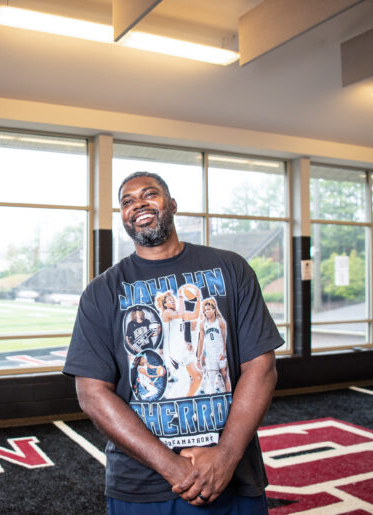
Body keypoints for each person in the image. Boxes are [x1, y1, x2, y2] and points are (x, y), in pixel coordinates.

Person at [63, 171, 282, 513]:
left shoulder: (230, 268)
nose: (138, 204)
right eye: (127, 201)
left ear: (172, 204)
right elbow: (92, 393)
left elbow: (261, 367)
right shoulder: (102, 291)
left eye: (149, 194)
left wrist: (225, 456)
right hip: (142, 486)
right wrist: (173, 466)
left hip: (234, 475)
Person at [197, 297, 231, 395]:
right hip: (210, 354)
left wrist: (224, 353)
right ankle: (211, 397)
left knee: (224, 375)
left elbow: (225, 339)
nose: (206, 311)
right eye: (205, 310)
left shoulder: (220, 321)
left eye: (209, 309)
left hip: (220, 352)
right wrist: (198, 358)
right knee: (210, 379)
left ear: (214, 309)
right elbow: (201, 341)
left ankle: (228, 395)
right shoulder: (203, 324)